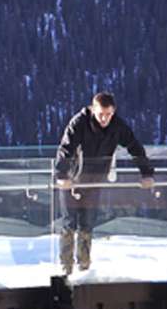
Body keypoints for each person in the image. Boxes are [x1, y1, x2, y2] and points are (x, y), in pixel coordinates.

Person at [52, 88, 155, 276]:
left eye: (108, 114)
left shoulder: (117, 126)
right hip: (72, 181)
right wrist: (62, 175)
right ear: (93, 109)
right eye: (101, 114)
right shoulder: (79, 123)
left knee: (87, 224)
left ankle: (84, 267)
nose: (104, 119)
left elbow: (134, 147)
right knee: (69, 224)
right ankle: (66, 269)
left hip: (94, 181)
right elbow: (65, 149)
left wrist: (146, 173)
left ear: (113, 112)